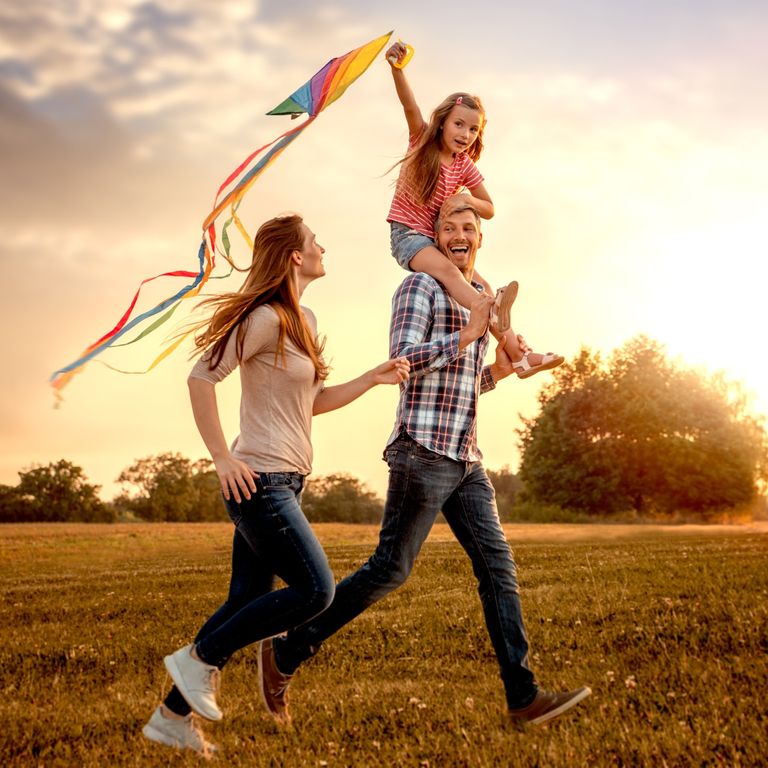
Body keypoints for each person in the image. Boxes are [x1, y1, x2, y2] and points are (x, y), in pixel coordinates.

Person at [259, 201, 591, 726]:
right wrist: (468, 334)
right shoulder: (419, 289)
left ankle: (522, 699)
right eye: (449, 228)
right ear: (434, 240)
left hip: (466, 456)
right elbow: (404, 361)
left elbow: (465, 386)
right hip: (421, 451)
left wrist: (502, 370)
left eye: (469, 228)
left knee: (498, 569)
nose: (460, 235)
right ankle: (287, 651)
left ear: (478, 241)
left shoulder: (476, 297)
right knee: (389, 569)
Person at [141, 214, 410, 756]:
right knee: (317, 590)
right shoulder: (264, 317)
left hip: (286, 479)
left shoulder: (302, 318)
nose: (322, 246)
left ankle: (170, 718)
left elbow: (310, 404)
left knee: (246, 597)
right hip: (257, 480)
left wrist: (371, 377)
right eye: (315, 240)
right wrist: (221, 457)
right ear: (293, 255)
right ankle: (198, 659)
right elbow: (202, 376)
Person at [384, 39, 563, 381]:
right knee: (455, 278)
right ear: (442, 123)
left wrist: (467, 200)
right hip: (408, 237)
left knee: (483, 287)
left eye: (473, 129)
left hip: (434, 241)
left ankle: (520, 357)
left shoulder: (463, 165)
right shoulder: (422, 141)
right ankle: (488, 310)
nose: (465, 134)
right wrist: (398, 70)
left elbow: (490, 207)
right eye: (458, 125)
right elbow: (409, 106)